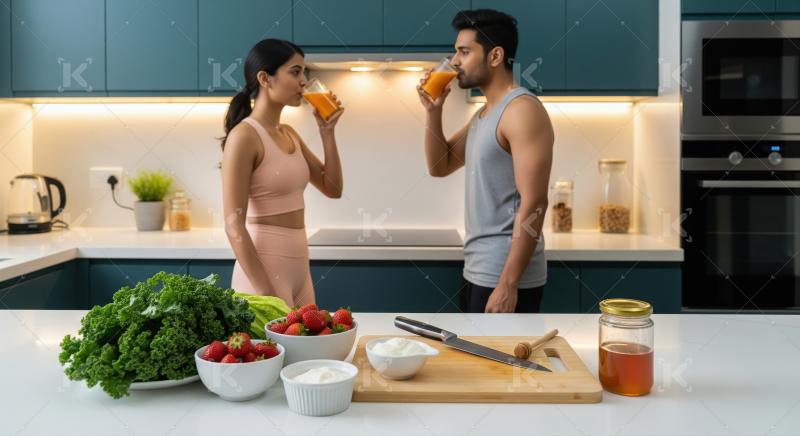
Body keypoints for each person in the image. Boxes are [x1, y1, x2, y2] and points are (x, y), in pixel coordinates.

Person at [417, 10, 554, 313]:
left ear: (495, 56)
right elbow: (439, 166)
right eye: (455, 52)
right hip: (478, 269)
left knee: (501, 362)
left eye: (464, 52)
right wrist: (433, 111)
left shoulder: (520, 111)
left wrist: (508, 284)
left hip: (505, 276)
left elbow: (535, 203)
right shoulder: (483, 115)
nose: (454, 61)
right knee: (478, 361)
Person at [221, 39, 344, 307]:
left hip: (300, 268)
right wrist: (267, 294)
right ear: (265, 78)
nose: (304, 81)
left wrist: (327, 132)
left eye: (304, 73)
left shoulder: (289, 133)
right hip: (261, 275)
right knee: (271, 350)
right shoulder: (244, 136)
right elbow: (233, 225)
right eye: (295, 71)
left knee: (310, 350)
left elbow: (332, 188)